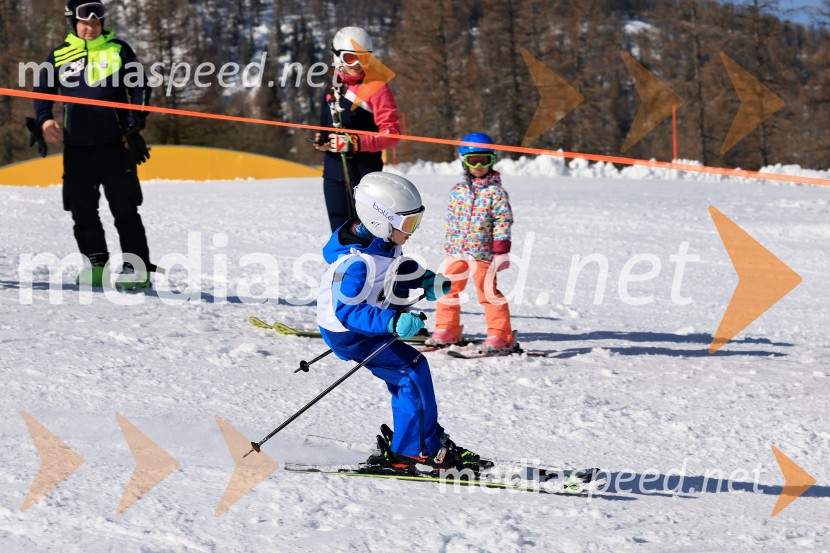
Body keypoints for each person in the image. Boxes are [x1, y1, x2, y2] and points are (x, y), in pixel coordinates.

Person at [316, 171, 482, 471]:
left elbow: (394, 266)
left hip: (368, 322)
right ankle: (415, 450)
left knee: (409, 375)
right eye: (408, 224)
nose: (412, 231)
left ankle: (418, 439)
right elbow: (348, 313)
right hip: (351, 333)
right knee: (410, 373)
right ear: (380, 220)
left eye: (416, 221)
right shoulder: (354, 263)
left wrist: (424, 279)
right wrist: (392, 322)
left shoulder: (379, 240)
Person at [29, 0, 154, 290]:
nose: (91, 27)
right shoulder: (59, 55)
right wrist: (45, 120)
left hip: (116, 145)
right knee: (82, 212)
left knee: (125, 210)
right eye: (85, 23)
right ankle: (96, 266)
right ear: (73, 23)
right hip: (77, 148)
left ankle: (137, 269)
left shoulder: (119, 49)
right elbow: (42, 92)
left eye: (96, 23)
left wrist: (135, 122)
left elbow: (140, 88)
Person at [428, 132, 515, 351]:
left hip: (483, 254)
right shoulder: (458, 191)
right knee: (445, 288)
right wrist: (451, 246)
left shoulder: (496, 192)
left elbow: (503, 221)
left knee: (488, 293)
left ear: (492, 161)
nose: (478, 165)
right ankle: (448, 328)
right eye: (472, 160)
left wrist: (501, 251)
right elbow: (451, 220)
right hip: (458, 252)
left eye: (484, 160)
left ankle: (500, 335)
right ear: (464, 161)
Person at [313, 26, 401, 233]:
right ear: (337, 58)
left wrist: (355, 143)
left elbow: (392, 134)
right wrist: (322, 138)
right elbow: (325, 124)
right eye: (352, 58)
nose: (359, 64)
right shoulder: (332, 87)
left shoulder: (377, 87)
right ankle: (342, 266)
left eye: (365, 58)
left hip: (365, 174)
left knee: (366, 233)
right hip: (334, 173)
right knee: (340, 233)